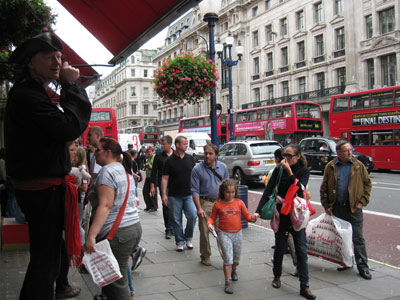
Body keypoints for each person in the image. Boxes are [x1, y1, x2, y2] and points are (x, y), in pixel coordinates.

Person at [5, 32, 91, 300]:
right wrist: (72, 87)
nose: (57, 62)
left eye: (59, 57)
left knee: (49, 257)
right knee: (46, 260)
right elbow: (69, 127)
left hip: (44, 190)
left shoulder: (32, 92)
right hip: (41, 192)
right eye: (49, 57)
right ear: (31, 62)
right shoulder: (27, 96)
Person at [255, 144, 316, 300]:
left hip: (297, 214)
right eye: (284, 155)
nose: (285, 159)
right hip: (282, 213)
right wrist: (258, 210)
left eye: (289, 156)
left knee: (301, 250)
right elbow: (268, 191)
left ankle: (305, 286)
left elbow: (299, 189)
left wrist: (290, 172)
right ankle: (277, 276)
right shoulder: (278, 169)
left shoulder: (303, 171)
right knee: (280, 247)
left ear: (297, 156)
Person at [84, 138, 142, 300]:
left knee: (116, 280)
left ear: (108, 152)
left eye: (98, 150)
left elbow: (105, 205)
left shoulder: (107, 172)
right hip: (132, 228)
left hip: (117, 233)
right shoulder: (123, 169)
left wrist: (91, 236)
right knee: (114, 275)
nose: (95, 153)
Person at [320, 140, 372, 280]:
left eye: (350, 150)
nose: (350, 153)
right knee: (343, 238)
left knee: (358, 238)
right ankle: (346, 262)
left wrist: (362, 202)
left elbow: (368, 185)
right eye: (346, 151)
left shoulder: (358, 165)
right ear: (338, 153)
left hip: (354, 208)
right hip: (338, 207)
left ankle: (363, 266)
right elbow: (324, 187)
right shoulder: (330, 167)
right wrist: (326, 205)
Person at [207, 179, 258, 294]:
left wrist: (253, 218)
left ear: (235, 191)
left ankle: (234, 270)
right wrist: (209, 224)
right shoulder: (218, 204)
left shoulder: (239, 203)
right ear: (222, 192)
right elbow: (212, 218)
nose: (230, 195)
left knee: (236, 259)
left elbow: (247, 217)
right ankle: (228, 282)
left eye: (232, 192)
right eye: (227, 192)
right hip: (224, 234)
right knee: (228, 259)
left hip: (238, 234)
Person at [191, 143, 229, 266]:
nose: (207, 156)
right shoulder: (197, 169)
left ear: (216, 155)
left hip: (219, 203)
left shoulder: (223, 167)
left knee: (223, 232)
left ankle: (227, 256)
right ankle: (205, 256)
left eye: (210, 153)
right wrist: (199, 208)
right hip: (204, 203)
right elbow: (194, 190)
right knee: (205, 232)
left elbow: (228, 187)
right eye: (206, 153)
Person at [161, 136, 197, 251]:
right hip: (174, 195)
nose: (186, 145)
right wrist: (163, 194)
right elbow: (165, 178)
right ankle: (180, 241)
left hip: (189, 194)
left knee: (192, 215)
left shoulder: (190, 159)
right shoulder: (169, 161)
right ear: (177, 145)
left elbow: (194, 176)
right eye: (184, 144)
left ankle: (188, 237)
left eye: (187, 143)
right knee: (176, 220)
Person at [150, 136, 174, 239]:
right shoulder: (159, 156)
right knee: (166, 206)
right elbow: (154, 171)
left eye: (164, 144)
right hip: (164, 185)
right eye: (161, 144)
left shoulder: (176, 155)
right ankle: (168, 228)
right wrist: (153, 186)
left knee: (175, 207)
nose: (162, 146)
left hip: (176, 184)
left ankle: (175, 227)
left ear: (170, 144)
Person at [143, 146, 157, 211]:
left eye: (150, 152)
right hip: (148, 177)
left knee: (153, 191)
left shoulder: (154, 158)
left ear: (152, 151)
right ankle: (148, 205)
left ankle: (154, 206)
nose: (148, 153)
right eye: (147, 152)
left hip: (153, 177)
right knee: (145, 191)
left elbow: (155, 167)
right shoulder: (148, 158)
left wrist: (150, 166)